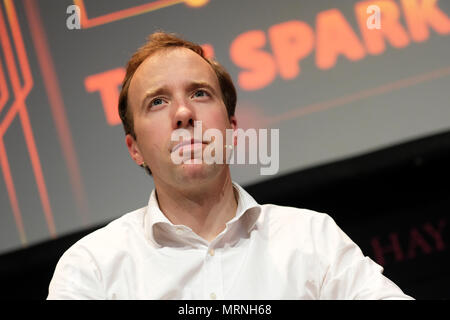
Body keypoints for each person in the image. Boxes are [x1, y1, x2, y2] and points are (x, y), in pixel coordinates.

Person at [47, 32, 413, 300]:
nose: (184, 113)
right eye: (157, 101)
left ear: (232, 128)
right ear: (135, 149)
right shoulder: (91, 268)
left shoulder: (311, 239)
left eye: (200, 93)